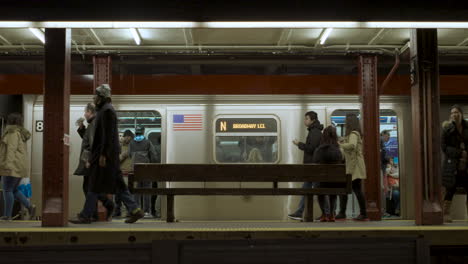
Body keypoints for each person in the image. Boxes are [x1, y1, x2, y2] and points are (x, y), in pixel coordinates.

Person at [70, 84, 144, 224]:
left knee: (94, 184)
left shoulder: (107, 111)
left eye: (96, 95)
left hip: (105, 156)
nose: (94, 97)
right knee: (117, 184)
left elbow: (108, 135)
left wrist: (103, 154)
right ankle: (135, 210)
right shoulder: (104, 110)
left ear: (101, 97)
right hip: (107, 155)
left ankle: (86, 215)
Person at [73, 103, 114, 221]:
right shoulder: (93, 124)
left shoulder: (94, 124)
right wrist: (82, 129)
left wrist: (89, 160)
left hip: (90, 162)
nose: (84, 114)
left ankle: (102, 207)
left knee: (89, 188)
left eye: (86, 112)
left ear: (91, 112)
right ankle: (94, 213)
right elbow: (89, 140)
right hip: (92, 161)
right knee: (89, 187)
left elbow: (93, 144)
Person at [288, 111, 325, 221]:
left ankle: (327, 213)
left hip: (313, 167)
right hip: (312, 166)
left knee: (318, 191)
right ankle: (300, 212)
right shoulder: (314, 131)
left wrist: (299, 144)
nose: (305, 121)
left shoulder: (315, 132)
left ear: (312, 120)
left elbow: (311, 148)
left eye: (306, 119)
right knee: (308, 189)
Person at [0, 113, 36, 220]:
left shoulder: (12, 133)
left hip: (13, 165)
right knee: (13, 189)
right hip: (20, 165)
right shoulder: (20, 133)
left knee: (7, 190)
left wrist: (7, 165)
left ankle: (7, 216)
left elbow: (11, 149)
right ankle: (30, 206)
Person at [336, 113, 369, 221]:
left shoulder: (354, 134)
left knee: (356, 190)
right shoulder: (353, 134)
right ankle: (343, 212)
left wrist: (340, 145)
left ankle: (362, 213)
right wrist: (343, 140)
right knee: (348, 189)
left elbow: (352, 146)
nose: (345, 123)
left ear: (350, 122)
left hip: (355, 167)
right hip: (353, 166)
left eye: (346, 121)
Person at [441, 105, 468, 223]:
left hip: (466, 164)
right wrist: (460, 153)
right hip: (452, 165)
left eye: (456, 112)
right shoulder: (447, 129)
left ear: (461, 114)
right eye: (452, 113)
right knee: (450, 189)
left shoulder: (467, 127)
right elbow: (444, 147)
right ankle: (445, 213)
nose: (454, 115)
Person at [311, 126, 343, 222]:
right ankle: (332, 214)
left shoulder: (319, 150)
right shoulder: (338, 151)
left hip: (321, 183)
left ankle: (324, 214)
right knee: (333, 192)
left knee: (319, 187)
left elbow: (315, 162)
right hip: (336, 183)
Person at [129, 125, 159, 217]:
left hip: (136, 170)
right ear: (143, 132)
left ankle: (137, 210)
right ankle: (146, 212)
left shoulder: (131, 143)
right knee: (146, 191)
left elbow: (130, 155)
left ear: (135, 132)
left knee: (136, 191)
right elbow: (153, 156)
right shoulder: (147, 142)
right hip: (146, 170)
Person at [113, 129, 134, 217]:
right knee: (118, 193)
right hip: (121, 172)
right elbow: (115, 160)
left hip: (131, 173)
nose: (128, 139)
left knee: (129, 193)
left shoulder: (134, 147)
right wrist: (122, 155)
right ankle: (117, 210)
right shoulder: (119, 147)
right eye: (126, 137)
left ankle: (130, 211)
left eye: (130, 137)